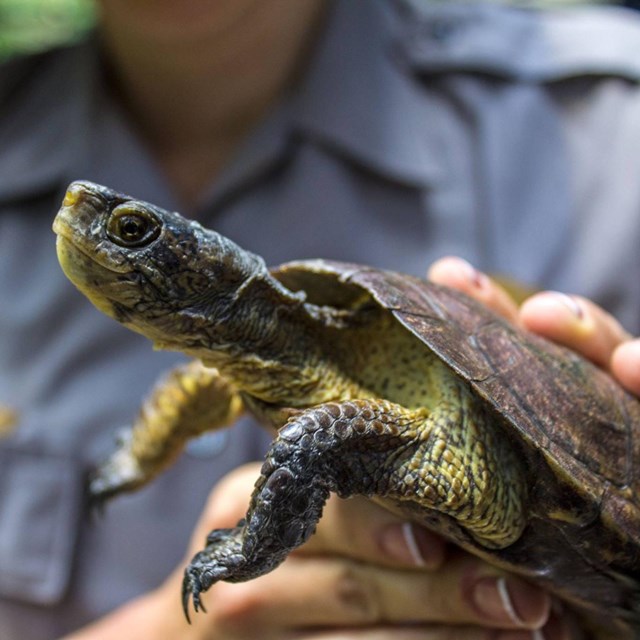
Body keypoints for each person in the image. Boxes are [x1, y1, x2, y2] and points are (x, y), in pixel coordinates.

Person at [1, 1, 639, 639]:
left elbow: (318, 439)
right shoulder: (242, 367)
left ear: (206, 280)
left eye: (130, 232)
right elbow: (207, 391)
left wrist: (253, 545)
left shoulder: (610, 124)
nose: (79, 216)